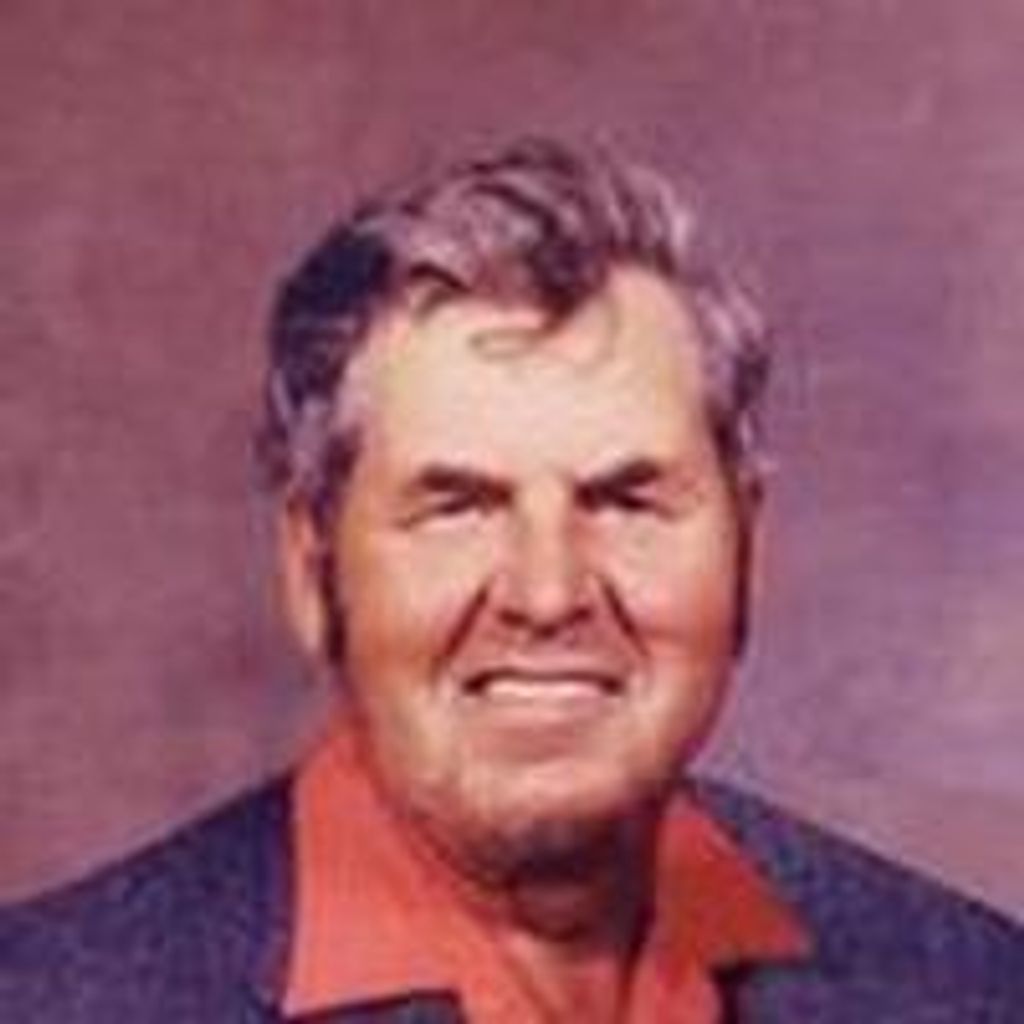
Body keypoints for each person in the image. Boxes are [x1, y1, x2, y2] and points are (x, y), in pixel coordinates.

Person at [1, 138, 1021, 1023]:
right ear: (312, 571)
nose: (547, 592)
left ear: (748, 547)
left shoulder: (975, 984)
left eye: (625, 500)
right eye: (458, 507)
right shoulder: (53, 999)